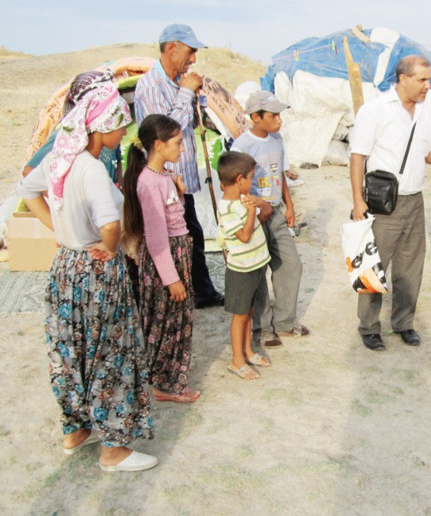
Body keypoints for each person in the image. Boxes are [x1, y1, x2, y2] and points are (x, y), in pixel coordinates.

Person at [16, 82, 157, 472]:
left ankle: (76, 429)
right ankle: (113, 449)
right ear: (99, 127)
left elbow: (26, 189)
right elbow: (110, 223)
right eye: (118, 126)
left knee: (70, 350)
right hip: (97, 269)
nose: (123, 134)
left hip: (66, 266)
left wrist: (61, 234)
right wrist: (109, 246)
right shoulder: (92, 168)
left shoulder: (60, 159)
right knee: (110, 353)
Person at [349, 55, 431, 351]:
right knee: (373, 267)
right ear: (402, 78)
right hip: (382, 202)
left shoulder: (429, 109)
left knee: (410, 266)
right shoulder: (374, 110)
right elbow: (357, 156)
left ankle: (403, 323)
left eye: (430, 80)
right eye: (422, 80)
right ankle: (369, 327)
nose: (428, 86)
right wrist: (358, 200)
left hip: (415, 198)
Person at [134, 23, 224, 309]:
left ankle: (200, 291)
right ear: (171, 48)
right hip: (163, 183)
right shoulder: (150, 86)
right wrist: (186, 93)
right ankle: (177, 293)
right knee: (168, 242)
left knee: (191, 237)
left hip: (180, 182)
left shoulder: (178, 82)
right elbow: (164, 132)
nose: (194, 59)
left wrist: (193, 94)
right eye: (190, 51)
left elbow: (192, 124)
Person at [123, 114, 201, 403]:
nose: (182, 148)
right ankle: (166, 385)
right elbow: (156, 239)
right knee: (166, 324)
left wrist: (178, 194)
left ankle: (166, 381)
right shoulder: (148, 183)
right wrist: (172, 280)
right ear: (158, 145)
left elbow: (173, 218)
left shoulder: (163, 177)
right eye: (178, 142)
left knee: (176, 321)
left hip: (174, 257)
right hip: (164, 262)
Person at [231, 91, 309, 348]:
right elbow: (237, 188)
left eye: (279, 114)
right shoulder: (242, 146)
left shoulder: (277, 139)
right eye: (273, 115)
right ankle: (262, 328)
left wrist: (289, 204)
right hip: (253, 216)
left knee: (291, 264)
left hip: (275, 212)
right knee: (258, 272)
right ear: (256, 117)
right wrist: (259, 205)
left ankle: (285, 322)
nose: (279, 120)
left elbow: (280, 174)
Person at [216, 151, 272, 379]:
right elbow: (244, 236)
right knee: (239, 315)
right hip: (241, 271)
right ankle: (236, 360)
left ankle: (248, 350)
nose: (252, 182)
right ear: (239, 179)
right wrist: (251, 212)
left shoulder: (242, 199)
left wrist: (256, 204)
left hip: (255, 266)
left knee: (248, 311)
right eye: (250, 177)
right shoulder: (227, 208)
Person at [23, 70, 123, 182]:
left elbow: (117, 164)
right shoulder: (66, 134)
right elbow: (29, 171)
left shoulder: (110, 130)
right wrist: (56, 195)